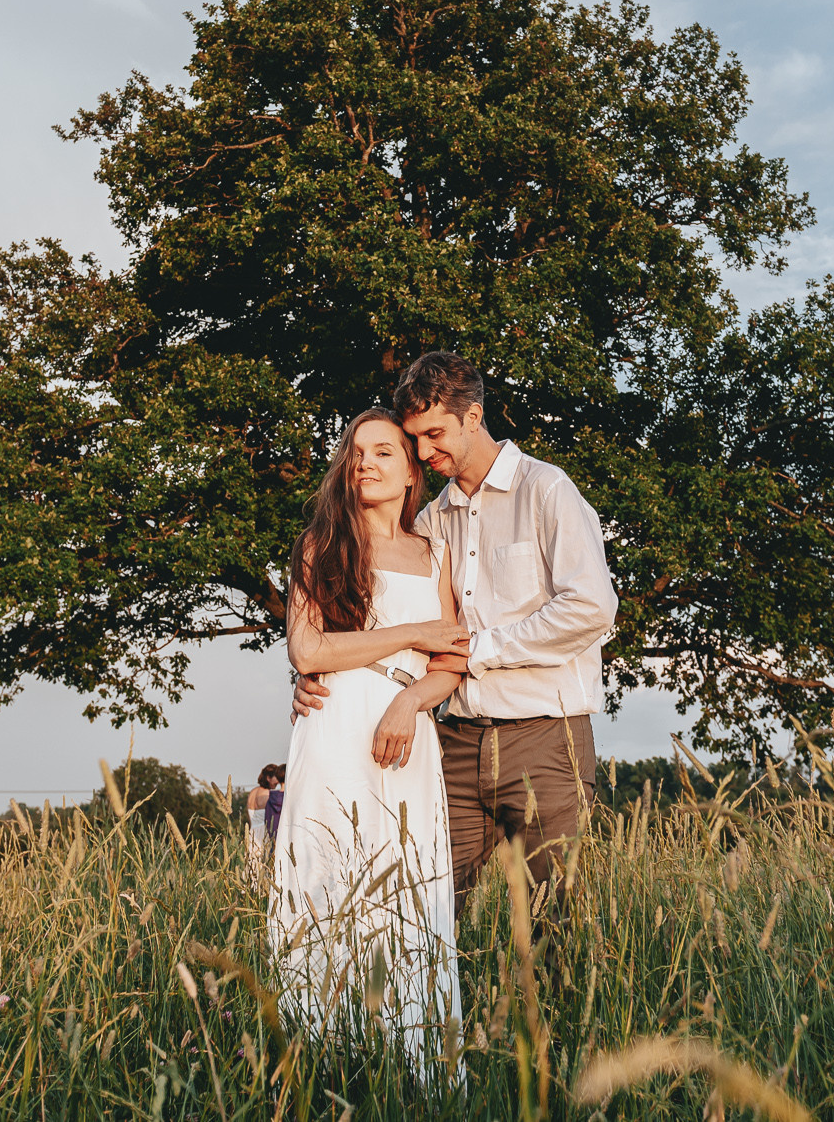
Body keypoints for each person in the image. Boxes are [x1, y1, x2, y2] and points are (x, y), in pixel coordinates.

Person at [295, 351, 618, 909]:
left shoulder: (546, 490)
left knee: (554, 916)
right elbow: (383, 621)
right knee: (427, 908)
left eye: (435, 433)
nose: (424, 451)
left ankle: (553, 1000)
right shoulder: (427, 523)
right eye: (415, 438)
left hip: (544, 737)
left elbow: (591, 608)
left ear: (473, 417)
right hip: (451, 740)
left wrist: (477, 651)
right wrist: (315, 672)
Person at [267, 409, 470, 1057]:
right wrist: (410, 634)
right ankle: (323, 1056)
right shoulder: (320, 544)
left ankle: (418, 1062)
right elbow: (307, 650)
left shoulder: (433, 549)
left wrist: (410, 700)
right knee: (325, 882)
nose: (366, 462)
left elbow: (453, 659)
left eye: (384, 451)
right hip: (333, 728)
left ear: (412, 469)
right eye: (356, 453)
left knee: (410, 890)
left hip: (406, 732)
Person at [245, 763, 284, 864]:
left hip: (251, 832)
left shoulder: (253, 791)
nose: (277, 782)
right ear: (268, 778)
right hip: (263, 832)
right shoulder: (266, 794)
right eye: (276, 779)